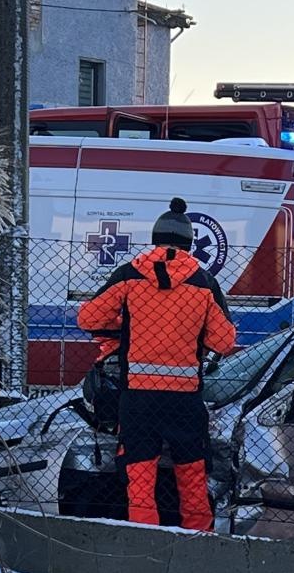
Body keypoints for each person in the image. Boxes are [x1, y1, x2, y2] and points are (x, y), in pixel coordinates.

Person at [77, 198, 237, 529]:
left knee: (140, 481)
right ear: (190, 243)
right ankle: (199, 546)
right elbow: (224, 342)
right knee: (192, 478)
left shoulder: (130, 273)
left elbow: (88, 317)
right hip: (184, 399)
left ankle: (144, 546)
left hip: (137, 397)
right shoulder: (204, 283)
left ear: (155, 238)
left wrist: (123, 333)